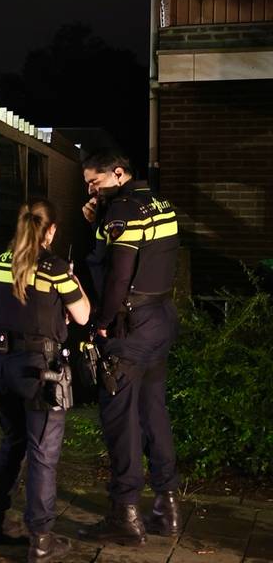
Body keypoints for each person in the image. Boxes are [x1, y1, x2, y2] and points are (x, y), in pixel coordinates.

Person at [77, 150, 182, 545]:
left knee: (120, 419)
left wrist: (100, 325)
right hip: (161, 319)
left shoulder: (122, 210)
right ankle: (167, 508)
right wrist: (97, 222)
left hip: (130, 327)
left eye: (95, 181)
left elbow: (119, 274)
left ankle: (126, 515)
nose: (90, 189)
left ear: (118, 173)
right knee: (154, 412)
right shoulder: (158, 202)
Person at [0, 198, 90, 562]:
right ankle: (41, 540)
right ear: (51, 230)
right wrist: (72, 281)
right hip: (40, 372)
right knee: (43, 456)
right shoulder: (55, 269)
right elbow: (84, 314)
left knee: (11, 443)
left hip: (0, 366)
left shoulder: (0, 263)